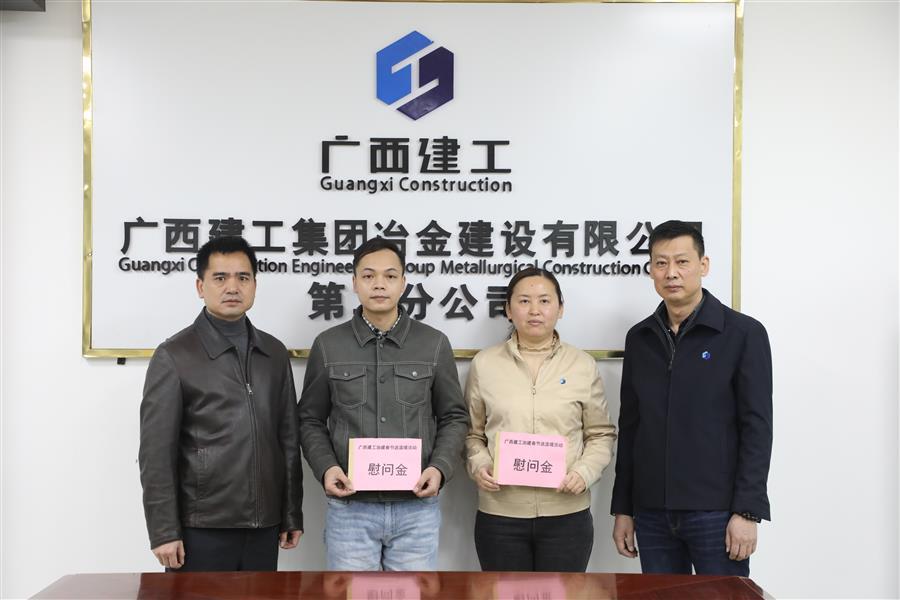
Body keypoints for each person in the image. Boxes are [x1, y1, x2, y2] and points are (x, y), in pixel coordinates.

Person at [610, 220, 773, 576]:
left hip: (717, 512)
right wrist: (624, 508)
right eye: (661, 263)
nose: (671, 273)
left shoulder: (743, 333)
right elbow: (632, 428)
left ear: (704, 265)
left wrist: (747, 511)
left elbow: (757, 429)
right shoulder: (640, 338)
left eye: (682, 262)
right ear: (651, 270)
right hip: (652, 512)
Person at [298, 237, 468, 571]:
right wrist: (327, 468)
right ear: (354, 282)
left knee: (413, 594)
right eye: (368, 276)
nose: (379, 284)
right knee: (350, 594)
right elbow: (310, 420)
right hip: (350, 509)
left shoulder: (433, 344)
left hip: (416, 509)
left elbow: (454, 417)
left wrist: (439, 468)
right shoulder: (329, 345)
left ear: (403, 283)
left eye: (390, 276)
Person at [139, 236, 303, 572]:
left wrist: (290, 513)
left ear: (254, 285)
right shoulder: (174, 355)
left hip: (264, 525)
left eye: (243, 277)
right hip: (201, 525)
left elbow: (288, 439)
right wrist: (164, 530)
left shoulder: (273, 353)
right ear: (200, 286)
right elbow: (155, 453)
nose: (232, 287)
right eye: (220, 278)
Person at [465, 267, 617, 572]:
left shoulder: (582, 364)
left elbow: (601, 434)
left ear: (560, 309)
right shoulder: (485, 364)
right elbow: (472, 433)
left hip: (567, 516)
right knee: (502, 593)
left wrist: (585, 472)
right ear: (508, 309)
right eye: (524, 301)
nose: (534, 310)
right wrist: (479, 465)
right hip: (501, 517)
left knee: (565, 594)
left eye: (545, 301)